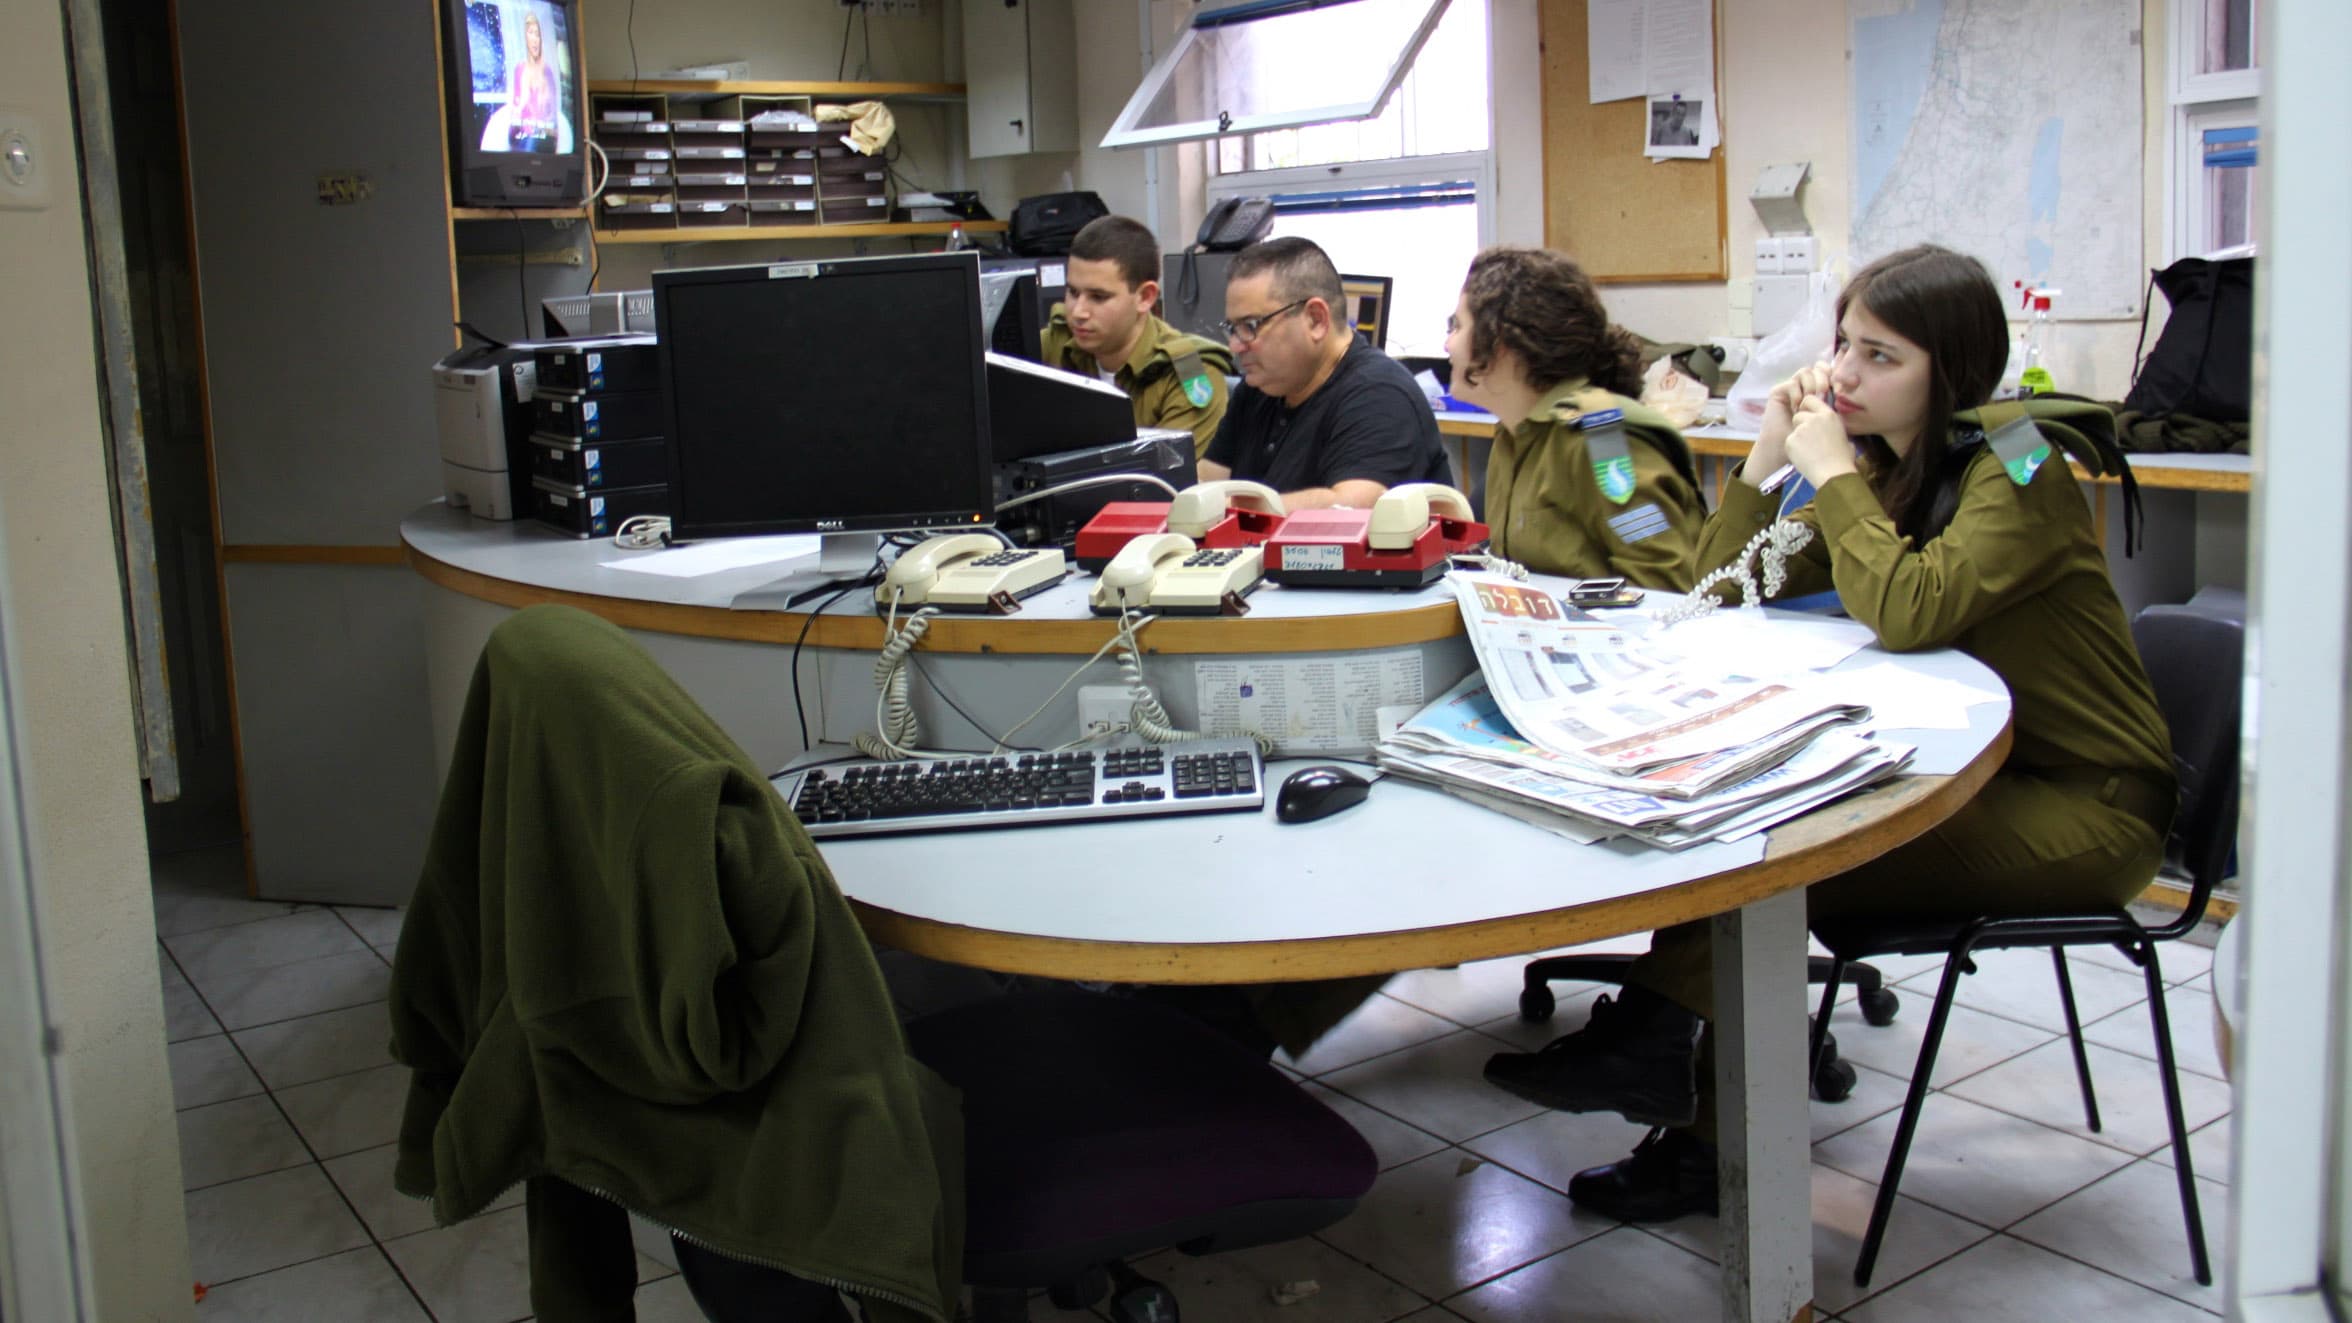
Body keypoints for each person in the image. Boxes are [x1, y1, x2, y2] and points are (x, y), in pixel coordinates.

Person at [1481, 244, 2177, 1223]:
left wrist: (1830, 475)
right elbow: (1710, 590)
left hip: (2087, 804)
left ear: (1956, 368)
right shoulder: (1890, 467)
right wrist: (1770, 458)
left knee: (1773, 858)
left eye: (1881, 356)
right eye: (1843, 345)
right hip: (1973, 770)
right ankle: (1669, 1067)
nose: (1843, 373)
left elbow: (1908, 608)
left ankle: (1682, 1098)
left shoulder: (2021, 461)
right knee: (1751, 821)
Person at [1442, 247, 1705, 588]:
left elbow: (1666, 588)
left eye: (1458, 327)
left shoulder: (1601, 440)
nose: (1448, 344)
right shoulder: (1515, 436)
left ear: (1503, 341)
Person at [1200, 236, 1452, 509]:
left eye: (1250, 325)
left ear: (1316, 320)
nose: (1235, 345)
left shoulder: (1380, 394)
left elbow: (1349, 509)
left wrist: (1228, 509)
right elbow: (1206, 482)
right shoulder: (1259, 387)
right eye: (1232, 328)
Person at [1040, 215, 1235, 458]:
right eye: (1073, 292)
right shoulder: (1054, 343)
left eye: (1098, 297)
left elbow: (1168, 480)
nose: (1078, 312)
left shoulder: (1189, 372)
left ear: (1145, 297)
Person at [506, 10, 559, 150]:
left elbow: (553, 117)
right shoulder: (520, 69)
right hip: (523, 136)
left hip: (543, 137)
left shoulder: (547, 72)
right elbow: (515, 110)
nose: (535, 39)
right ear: (525, 37)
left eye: (538, 34)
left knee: (533, 143)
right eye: (531, 33)